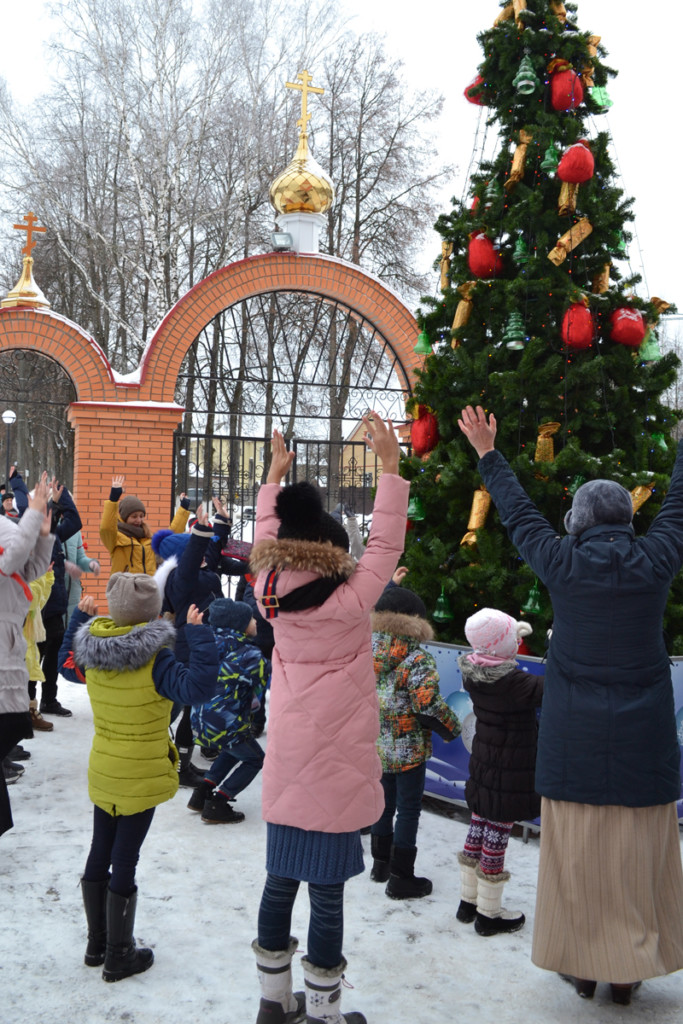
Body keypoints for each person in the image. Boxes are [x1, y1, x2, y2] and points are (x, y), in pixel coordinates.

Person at [458, 404, 683, 1005]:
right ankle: (631, 967)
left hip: (573, 744)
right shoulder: (657, 558)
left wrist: (488, 452)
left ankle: (582, 965)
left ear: (579, 521)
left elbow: (519, 513)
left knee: (578, 859)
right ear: (627, 520)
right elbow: (682, 503)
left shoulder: (561, 560)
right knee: (637, 855)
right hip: (644, 746)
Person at [249, 416, 408, 1024]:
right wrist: (389, 469)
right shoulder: (349, 600)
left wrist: (273, 479)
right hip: (339, 773)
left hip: (290, 765)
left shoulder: (267, 592)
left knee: (278, 883)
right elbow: (387, 548)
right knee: (328, 897)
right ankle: (321, 1012)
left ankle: (272, 1002)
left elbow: (268, 533)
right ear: (335, 553)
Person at [58, 576, 219, 982]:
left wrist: (78, 618)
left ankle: (97, 944)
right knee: (125, 857)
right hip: (141, 771)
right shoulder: (157, 660)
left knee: (101, 847)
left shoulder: (91, 650)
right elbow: (198, 688)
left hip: (105, 766)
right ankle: (119, 953)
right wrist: (198, 636)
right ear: (152, 612)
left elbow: (65, 666)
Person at [456, 607, 543, 936]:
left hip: (484, 764)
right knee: (496, 836)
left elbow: (497, 653)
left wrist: (509, 635)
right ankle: (489, 914)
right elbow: (551, 688)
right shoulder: (515, 683)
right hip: (508, 770)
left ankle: (468, 901)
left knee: (478, 827)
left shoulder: (474, 670)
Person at [369, 586, 460, 898]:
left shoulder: (368, 650)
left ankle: (380, 865)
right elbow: (428, 705)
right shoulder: (417, 657)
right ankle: (401, 876)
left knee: (383, 804)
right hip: (409, 750)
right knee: (408, 810)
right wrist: (453, 726)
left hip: (379, 745)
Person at [0, 472, 54, 837]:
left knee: (13, 728)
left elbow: (29, 569)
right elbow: (8, 561)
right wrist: (33, 514)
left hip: (10, 654)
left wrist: (45, 536)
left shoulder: (6, 524)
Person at [188, 598, 268, 823]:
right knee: (256, 759)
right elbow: (267, 679)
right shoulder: (249, 655)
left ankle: (202, 792)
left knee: (233, 749)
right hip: (226, 724)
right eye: (251, 618)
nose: (255, 621)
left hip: (202, 722)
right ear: (239, 625)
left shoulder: (206, 645)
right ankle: (219, 802)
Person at [32, 482, 82, 717]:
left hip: (54, 609)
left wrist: (62, 500)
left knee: (52, 657)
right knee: (34, 659)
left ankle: (49, 700)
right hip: (35, 612)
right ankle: (27, 706)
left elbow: (75, 522)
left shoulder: (53, 535)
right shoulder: (28, 538)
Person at [99, 475, 190, 576]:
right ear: (124, 517)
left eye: (141, 516)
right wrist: (113, 499)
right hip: (125, 589)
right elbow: (106, 528)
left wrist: (183, 508)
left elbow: (172, 536)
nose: (138, 520)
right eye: (134, 516)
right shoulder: (116, 539)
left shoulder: (149, 538)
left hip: (149, 588)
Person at [63, 529, 100, 624]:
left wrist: (90, 564)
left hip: (73, 593)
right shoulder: (48, 525)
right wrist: (63, 564)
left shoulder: (74, 530)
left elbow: (80, 558)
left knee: (70, 629)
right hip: (52, 591)